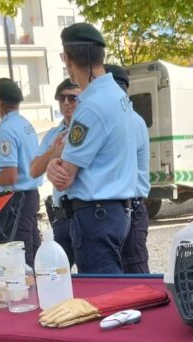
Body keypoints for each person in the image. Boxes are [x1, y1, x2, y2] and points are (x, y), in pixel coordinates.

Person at [46, 23, 137, 274]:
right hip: (113, 212)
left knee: (102, 291)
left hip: (95, 216)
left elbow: (64, 178)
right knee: (111, 286)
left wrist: (53, 163)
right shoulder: (115, 94)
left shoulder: (91, 106)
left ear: (67, 59)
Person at [0, 78, 41, 266]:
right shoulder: (25, 125)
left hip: (15, 203)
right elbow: (21, 165)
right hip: (30, 197)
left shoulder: (6, 131)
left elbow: (9, 177)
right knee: (34, 253)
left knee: (21, 260)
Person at [105, 64, 151, 274]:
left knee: (135, 274)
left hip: (130, 207)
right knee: (125, 272)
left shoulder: (128, 122)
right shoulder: (128, 119)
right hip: (126, 208)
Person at [30, 79, 80, 268]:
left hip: (84, 212)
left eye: (72, 98)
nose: (66, 103)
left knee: (90, 272)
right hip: (61, 216)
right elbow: (34, 171)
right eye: (61, 98)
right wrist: (53, 151)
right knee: (56, 272)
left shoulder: (89, 130)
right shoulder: (53, 134)